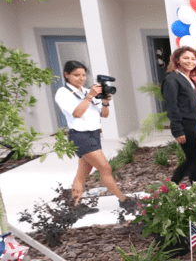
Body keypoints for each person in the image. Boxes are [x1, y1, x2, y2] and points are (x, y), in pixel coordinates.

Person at [53, 60, 138, 212]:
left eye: (83, 75)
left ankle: (75, 206)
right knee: (105, 168)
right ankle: (123, 200)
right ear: (66, 75)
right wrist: (90, 97)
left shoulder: (87, 91)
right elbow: (77, 113)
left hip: (94, 135)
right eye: (76, 75)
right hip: (80, 136)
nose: (81, 78)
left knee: (82, 173)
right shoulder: (63, 93)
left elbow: (104, 115)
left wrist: (105, 102)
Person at [163, 46, 196, 185]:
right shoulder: (172, 79)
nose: (190, 61)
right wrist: (177, 130)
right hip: (185, 125)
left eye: (193, 59)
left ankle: (173, 184)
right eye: (186, 58)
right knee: (195, 159)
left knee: (193, 158)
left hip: (194, 123)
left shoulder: (189, 79)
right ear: (178, 60)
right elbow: (171, 106)